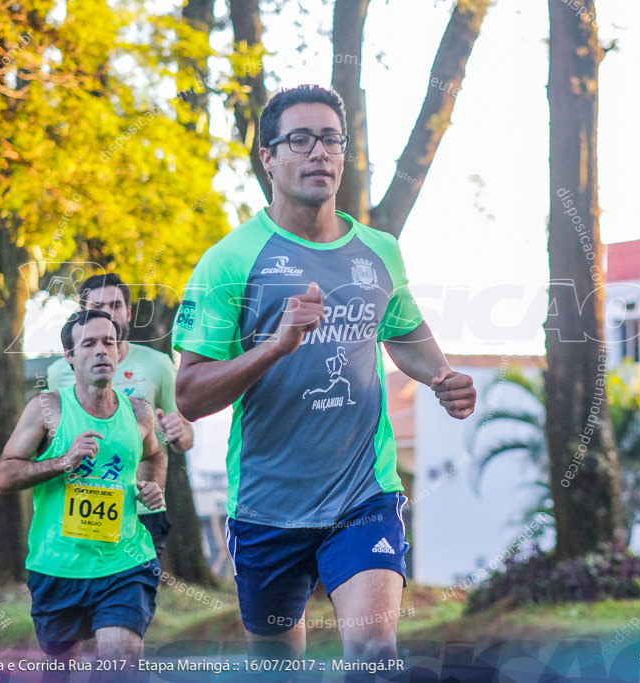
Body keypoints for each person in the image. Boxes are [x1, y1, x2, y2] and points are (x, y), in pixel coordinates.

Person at [172, 84, 476, 662]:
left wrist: (441, 376)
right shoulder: (230, 260)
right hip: (267, 507)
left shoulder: (380, 251)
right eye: (301, 140)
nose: (320, 153)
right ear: (268, 156)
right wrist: (274, 347)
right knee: (278, 668)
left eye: (331, 140)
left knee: (373, 649)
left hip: (364, 497)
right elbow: (188, 395)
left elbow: (403, 331)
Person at [0, 309, 165, 671]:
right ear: (69, 357)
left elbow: (153, 454)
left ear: (120, 351)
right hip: (58, 565)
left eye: (109, 342)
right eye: (88, 344)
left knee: (120, 663)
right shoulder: (47, 409)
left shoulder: (140, 413)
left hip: (125, 562)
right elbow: (4, 476)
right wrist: (63, 461)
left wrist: (151, 487)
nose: (101, 350)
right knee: (59, 672)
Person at [46, 273, 192, 557]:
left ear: (128, 312)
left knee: (136, 596)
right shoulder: (58, 373)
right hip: (83, 508)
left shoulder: (158, 364)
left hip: (141, 505)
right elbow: (53, 442)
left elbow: (183, 437)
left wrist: (176, 433)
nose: (108, 313)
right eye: (98, 306)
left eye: (115, 306)